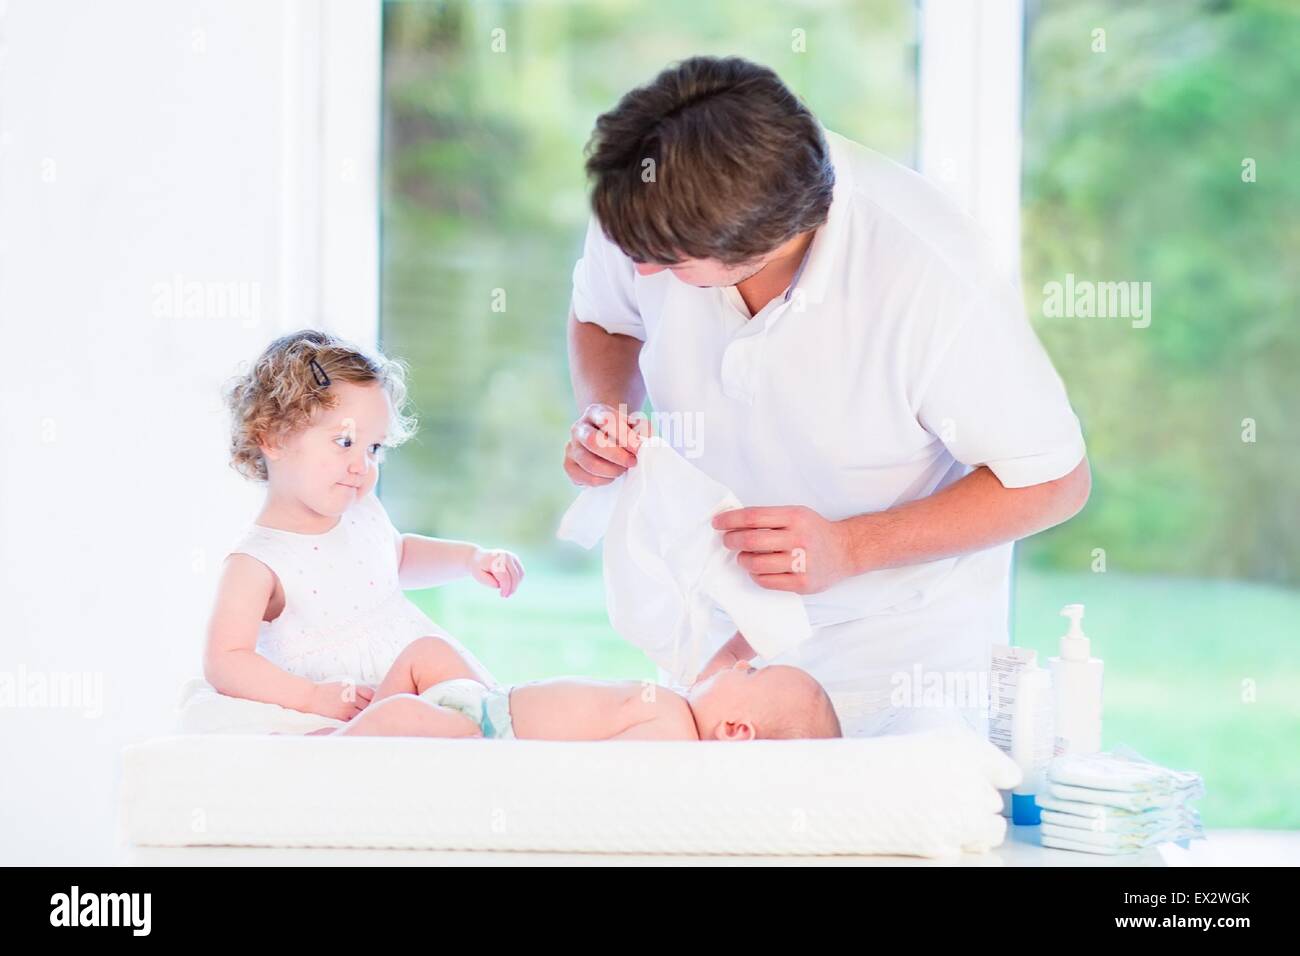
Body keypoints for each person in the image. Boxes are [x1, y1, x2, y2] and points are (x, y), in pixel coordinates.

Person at [563, 56, 1090, 737]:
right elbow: (604, 317)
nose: (640, 269)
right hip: (721, 627)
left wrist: (852, 546)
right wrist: (605, 409)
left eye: (669, 264)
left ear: (766, 241)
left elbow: (1055, 482)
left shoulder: (930, 278)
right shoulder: (650, 204)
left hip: (896, 650)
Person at [203, 329, 524, 721]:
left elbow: (400, 556)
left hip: (416, 684)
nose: (362, 466)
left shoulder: (361, 511)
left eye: (374, 448)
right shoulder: (258, 560)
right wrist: (310, 697)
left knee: (478, 722)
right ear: (273, 437)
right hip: (357, 710)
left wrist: (470, 559)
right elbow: (226, 659)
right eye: (344, 442)